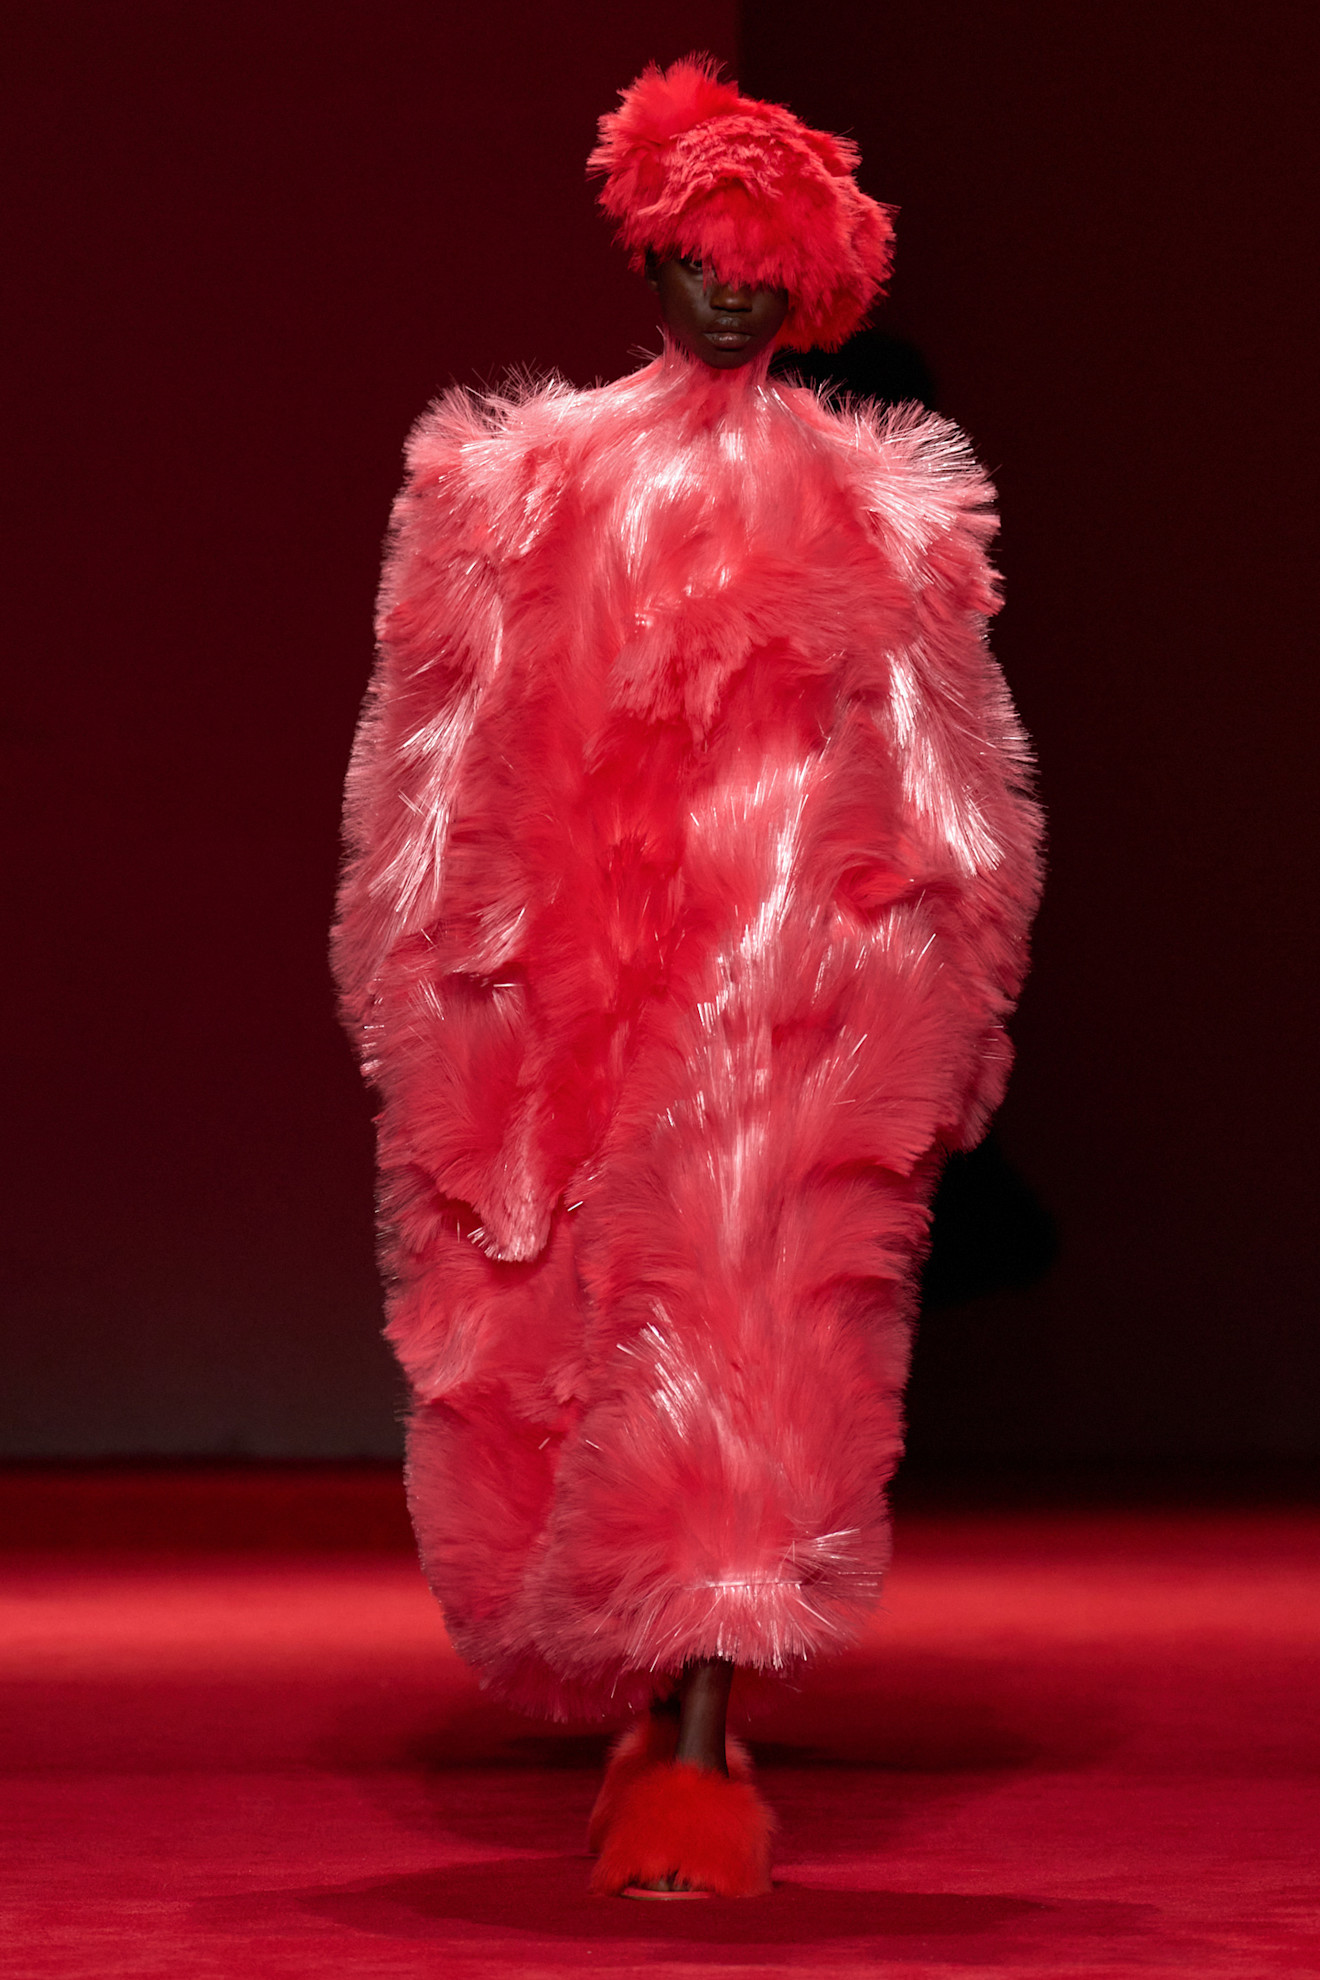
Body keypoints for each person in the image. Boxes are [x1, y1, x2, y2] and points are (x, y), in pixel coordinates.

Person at [332, 55, 1043, 1899]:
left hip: (790, 976)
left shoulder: (880, 505)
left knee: (745, 1332)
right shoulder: (509, 481)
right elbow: (429, 739)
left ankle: (704, 1757)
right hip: (571, 959)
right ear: (644, 249)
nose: (730, 291)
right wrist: (415, 959)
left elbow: (952, 758)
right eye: (699, 252)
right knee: (572, 1323)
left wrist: (953, 973)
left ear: (814, 285)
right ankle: (659, 1698)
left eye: (764, 264)